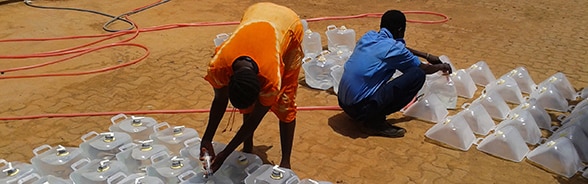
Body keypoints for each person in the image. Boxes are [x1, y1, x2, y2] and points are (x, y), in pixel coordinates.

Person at [200, 2, 303, 173]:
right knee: (247, 103)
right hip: (256, 12)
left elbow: (255, 120)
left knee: (285, 102)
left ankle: (286, 162)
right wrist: (206, 139)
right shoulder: (218, 66)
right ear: (230, 79)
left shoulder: (271, 77)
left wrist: (225, 154)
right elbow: (219, 100)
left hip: (289, 25)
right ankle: (248, 148)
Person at [337, 10, 452, 138]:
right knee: (417, 75)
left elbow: (399, 49)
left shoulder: (369, 37)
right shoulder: (393, 48)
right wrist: (442, 66)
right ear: (400, 30)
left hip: (344, 103)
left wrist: (427, 56)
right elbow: (423, 68)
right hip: (360, 109)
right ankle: (374, 122)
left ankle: (369, 114)